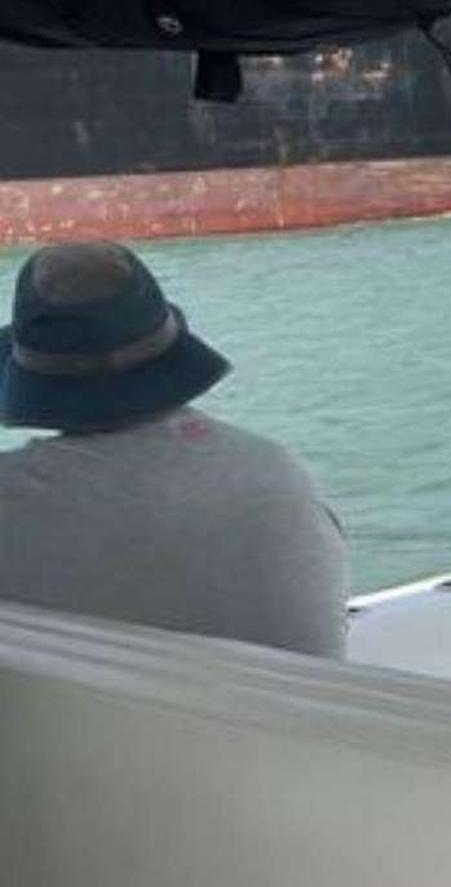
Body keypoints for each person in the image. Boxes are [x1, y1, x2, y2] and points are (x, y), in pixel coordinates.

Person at [0, 241, 349, 657]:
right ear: (171, 355)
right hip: (288, 719)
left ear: (29, 381)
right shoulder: (274, 469)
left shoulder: (13, 501)